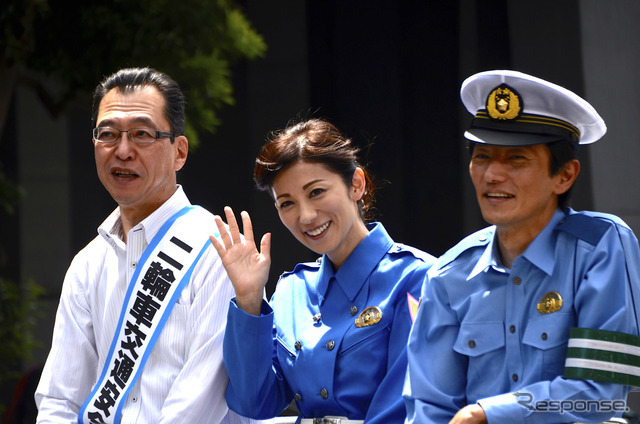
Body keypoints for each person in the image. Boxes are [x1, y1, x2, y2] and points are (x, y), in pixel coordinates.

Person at [403, 69, 640, 424]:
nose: (492, 174)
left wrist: (487, 413)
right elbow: (429, 408)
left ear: (565, 175)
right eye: (482, 156)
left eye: (516, 159)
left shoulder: (602, 246)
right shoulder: (449, 273)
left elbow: (601, 392)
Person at [34, 67, 262, 424]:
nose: (122, 151)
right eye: (107, 134)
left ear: (179, 152)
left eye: (142, 134)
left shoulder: (217, 250)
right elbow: (59, 400)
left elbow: (197, 408)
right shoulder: (87, 264)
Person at [208, 118, 435, 424]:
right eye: (287, 203)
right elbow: (254, 402)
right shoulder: (291, 290)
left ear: (356, 184)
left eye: (316, 192)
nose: (306, 216)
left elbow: (404, 408)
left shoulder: (418, 278)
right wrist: (249, 300)